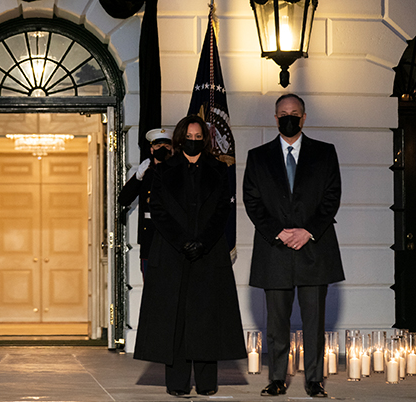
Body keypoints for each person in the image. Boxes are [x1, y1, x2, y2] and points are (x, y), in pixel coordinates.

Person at [134, 115, 245, 396]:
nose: (193, 141)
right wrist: (183, 242)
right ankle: (178, 384)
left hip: (208, 255)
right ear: (180, 138)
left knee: (207, 318)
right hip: (173, 254)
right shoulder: (162, 171)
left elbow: (223, 210)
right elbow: (158, 211)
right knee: (176, 320)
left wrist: (202, 243)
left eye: (198, 137)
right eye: (189, 136)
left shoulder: (219, 169)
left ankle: (208, 384)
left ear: (204, 140)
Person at [243, 93, 344, 398]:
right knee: (275, 323)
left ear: (303, 117)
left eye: (294, 112)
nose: (289, 117)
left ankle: (314, 380)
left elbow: (331, 198)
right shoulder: (258, 156)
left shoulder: (325, 153)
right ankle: (276, 379)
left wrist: (307, 231)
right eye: (283, 113)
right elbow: (252, 201)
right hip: (274, 251)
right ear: (275, 118)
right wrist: (280, 232)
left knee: (314, 322)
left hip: (315, 250)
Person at [117, 128, 173, 278]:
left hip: (171, 240)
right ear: (151, 149)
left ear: (172, 149)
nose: (162, 149)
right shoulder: (145, 172)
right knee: (150, 289)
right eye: (158, 146)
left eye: (167, 146)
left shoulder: (177, 173)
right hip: (149, 240)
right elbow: (123, 199)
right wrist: (137, 177)